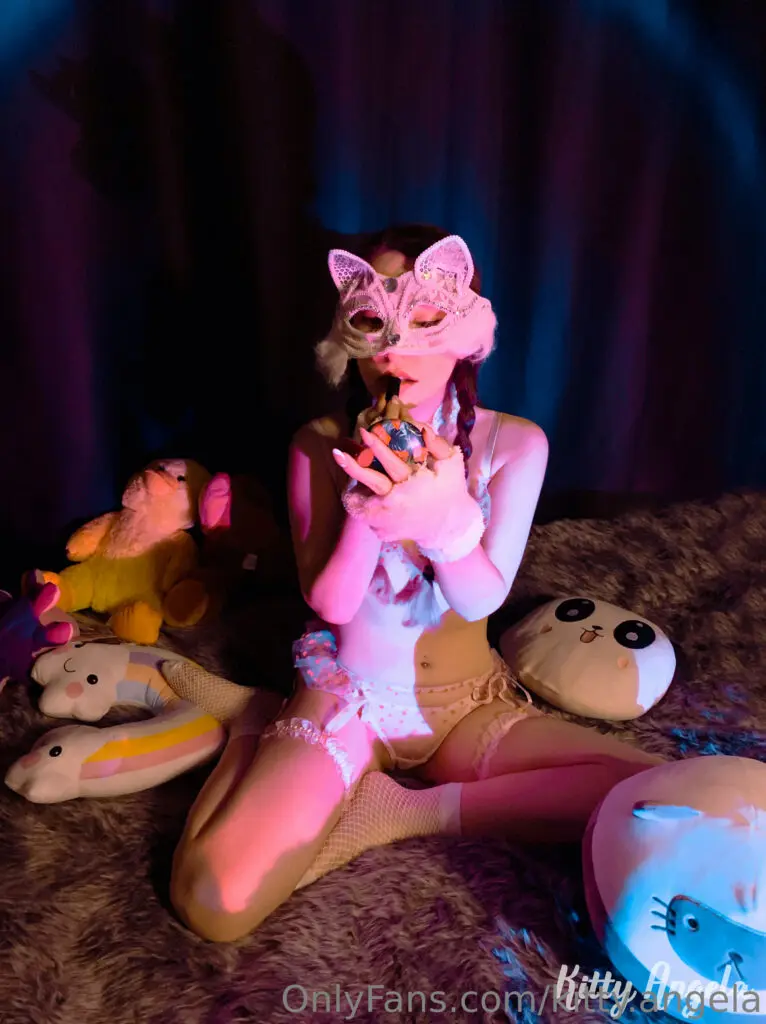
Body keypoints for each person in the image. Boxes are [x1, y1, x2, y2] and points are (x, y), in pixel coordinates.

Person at [170, 224, 663, 942]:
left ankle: (410, 811)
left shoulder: (514, 444)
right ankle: (258, 725)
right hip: (349, 700)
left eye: (425, 318)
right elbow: (332, 601)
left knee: (656, 794)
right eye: (372, 322)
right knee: (211, 901)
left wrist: (447, 522)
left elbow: (480, 597)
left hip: (464, 707)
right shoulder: (317, 444)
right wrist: (369, 506)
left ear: (467, 334)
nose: (394, 348)